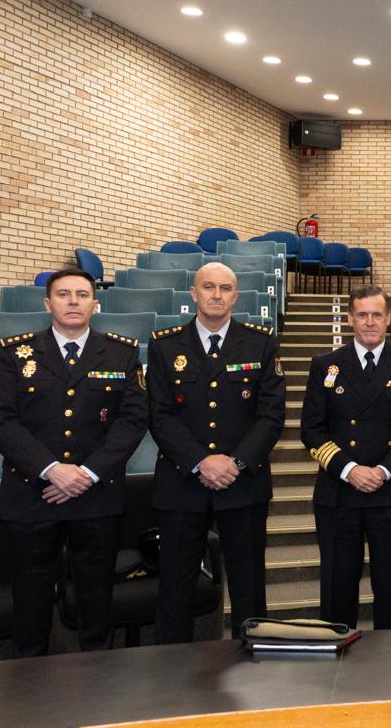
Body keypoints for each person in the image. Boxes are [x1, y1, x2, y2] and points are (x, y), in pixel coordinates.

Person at [0, 268, 147, 657]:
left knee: (96, 603)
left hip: (97, 497)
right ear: (47, 303)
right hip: (31, 496)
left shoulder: (122, 352)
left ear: (95, 303)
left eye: (81, 294)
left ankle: (97, 693)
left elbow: (133, 420)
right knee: (30, 605)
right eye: (63, 294)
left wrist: (88, 473)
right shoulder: (15, 352)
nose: (73, 301)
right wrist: (51, 470)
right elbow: (0, 420)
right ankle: (29, 693)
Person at [147, 262, 284, 642]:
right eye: (208, 287)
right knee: (175, 585)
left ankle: (255, 662)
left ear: (235, 297)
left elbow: (271, 416)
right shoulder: (164, 345)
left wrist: (235, 463)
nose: (217, 295)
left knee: (249, 585)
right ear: (194, 293)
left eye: (225, 288)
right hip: (181, 483)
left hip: (244, 485)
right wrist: (199, 462)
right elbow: (159, 415)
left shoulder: (261, 342)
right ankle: (171, 672)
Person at [301, 285, 391, 629]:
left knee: (390, 585)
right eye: (362, 315)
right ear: (350, 319)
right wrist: (350, 470)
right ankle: (335, 657)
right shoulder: (325, 365)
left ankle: (388, 663)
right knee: (337, 585)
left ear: (388, 318)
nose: (370, 322)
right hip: (339, 491)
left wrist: (383, 471)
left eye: (377, 315)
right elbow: (311, 430)